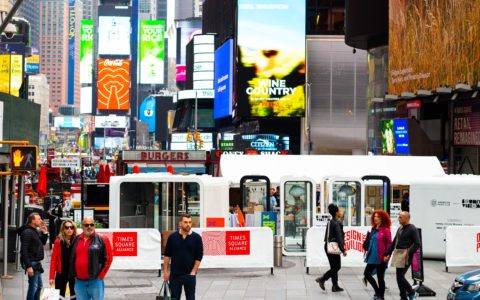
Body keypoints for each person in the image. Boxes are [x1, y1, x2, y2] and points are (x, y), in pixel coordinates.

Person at [70, 217, 113, 300]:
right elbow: (72, 258)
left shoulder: (102, 239)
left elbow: (108, 259)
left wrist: (101, 276)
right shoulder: (76, 239)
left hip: (95, 281)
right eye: (86, 225)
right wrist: (74, 274)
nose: (89, 227)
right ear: (82, 226)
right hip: (79, 282)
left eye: (91, 224)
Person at [164, 214, 204, 300]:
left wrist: (193, 271)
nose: (188, 224)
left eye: (190, 222)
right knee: (174, 298)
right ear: (180, 223)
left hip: (189, 275)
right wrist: (165, 272)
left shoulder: (197, 238)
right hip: (175, 276)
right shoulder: (172, 237)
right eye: (185, 222)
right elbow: (167, 255)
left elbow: (199, 256)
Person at [384, 211, 421, 300]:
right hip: (398, 254)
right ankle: (403, 297)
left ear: (406, 218)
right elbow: (394, 242)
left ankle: (412, 293)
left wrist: (408, 253)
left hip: (406, 256)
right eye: (399, 217)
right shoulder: (400, 228)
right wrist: (387, 253)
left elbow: (417, 243)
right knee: (399, 277)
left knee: (400, 277)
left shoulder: (413, 229)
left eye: (400, 217)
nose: (398, 218)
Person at [315, 203, 347, 292]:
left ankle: (335, 286)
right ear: (336, 212)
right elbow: (339, 237)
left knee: (334, 267)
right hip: (333, 246)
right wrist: (343, 249)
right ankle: (323, 279)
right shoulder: (336, 223)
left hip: (328, 246)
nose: (340, 212)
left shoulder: (330, 222)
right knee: (337, 267)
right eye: (339, 210)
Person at [18, 212, 48, 300]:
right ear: (32, 220)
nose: (41, 221)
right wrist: (29, 266)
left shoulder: (34, 230)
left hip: (36, 263)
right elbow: (23, 250)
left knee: (38, 287)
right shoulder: (27, 232)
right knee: (34, 287)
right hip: (32, 263)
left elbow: (43, 242)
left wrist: (44, 232)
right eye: (38, 219)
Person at [363, 210, 392, 300]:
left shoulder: (386, 230)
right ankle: (377, 292)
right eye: (374, 216)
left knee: (380, 277)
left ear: (382, 219)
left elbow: (389, 244)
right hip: (372, 256)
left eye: (378, 217)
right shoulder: (373, 229)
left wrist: (387, 255)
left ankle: (381, 296)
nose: (375, 218)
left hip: (381, 257)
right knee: (367, 274)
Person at [49, 220, 78, 299]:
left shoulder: (77, 241)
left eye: (71, 227)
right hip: (61, 273)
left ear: (74, 229)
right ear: (63, 229)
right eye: (67, 227)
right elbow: (53, 259)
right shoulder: (58, 241)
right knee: (59, 297)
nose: (69, 229)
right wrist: (51, 277)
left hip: (74, 274)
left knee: (75, 296)